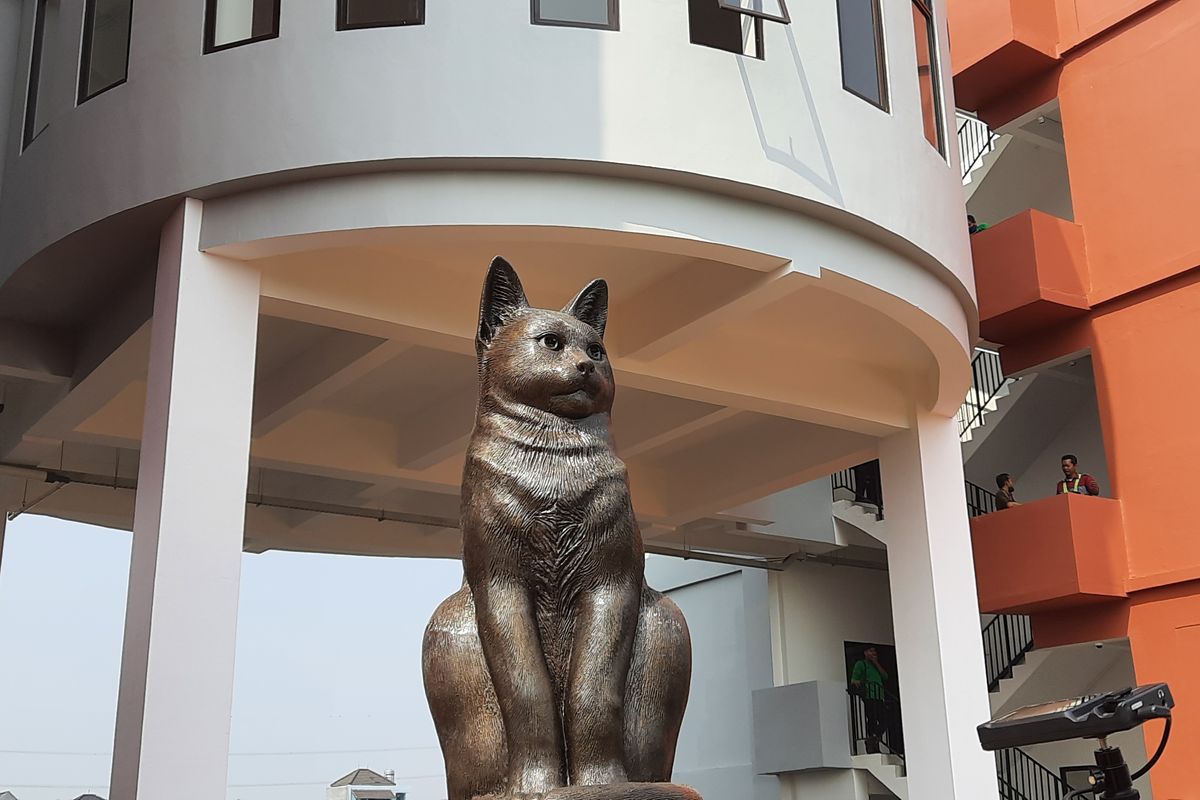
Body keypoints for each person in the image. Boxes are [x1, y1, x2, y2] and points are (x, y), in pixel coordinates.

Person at [851, 645, 890, 754]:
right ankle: (873, 744)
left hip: (879, 696)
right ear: (865, 652)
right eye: (870, 651)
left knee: (885, 720)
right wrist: (858, 682)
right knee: (872, 719)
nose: (873, 653)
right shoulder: (861, 664)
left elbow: (885, 676)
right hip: (869, 696)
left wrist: (876, 662)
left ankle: (873, 739)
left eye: (874, 651)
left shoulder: (875, 665)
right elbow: (854, 679)